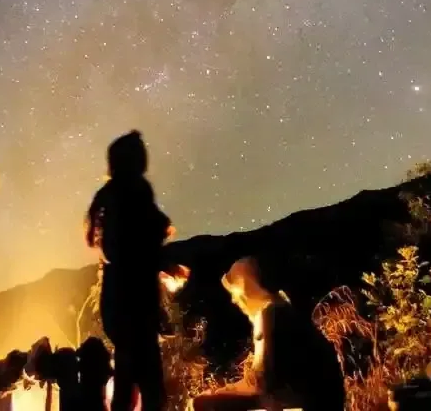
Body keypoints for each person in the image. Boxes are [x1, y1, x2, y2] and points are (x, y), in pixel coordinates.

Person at [85, 130, 173, 411]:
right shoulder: (135, 191)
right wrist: (164, 263)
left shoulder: (108, 196)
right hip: (134, 299)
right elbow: (140, 244)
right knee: (150, 386)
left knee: (127, 376)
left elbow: (123, 247)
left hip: (116, 298)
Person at [190, 257, 345, 411]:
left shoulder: (270, 313)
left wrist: (221, 393)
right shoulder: (281, 309)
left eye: (236, 291)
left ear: (248, 289)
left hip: (310, 403)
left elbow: (262, 382)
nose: (233, 300)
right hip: (311, 399)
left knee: (204, 403)